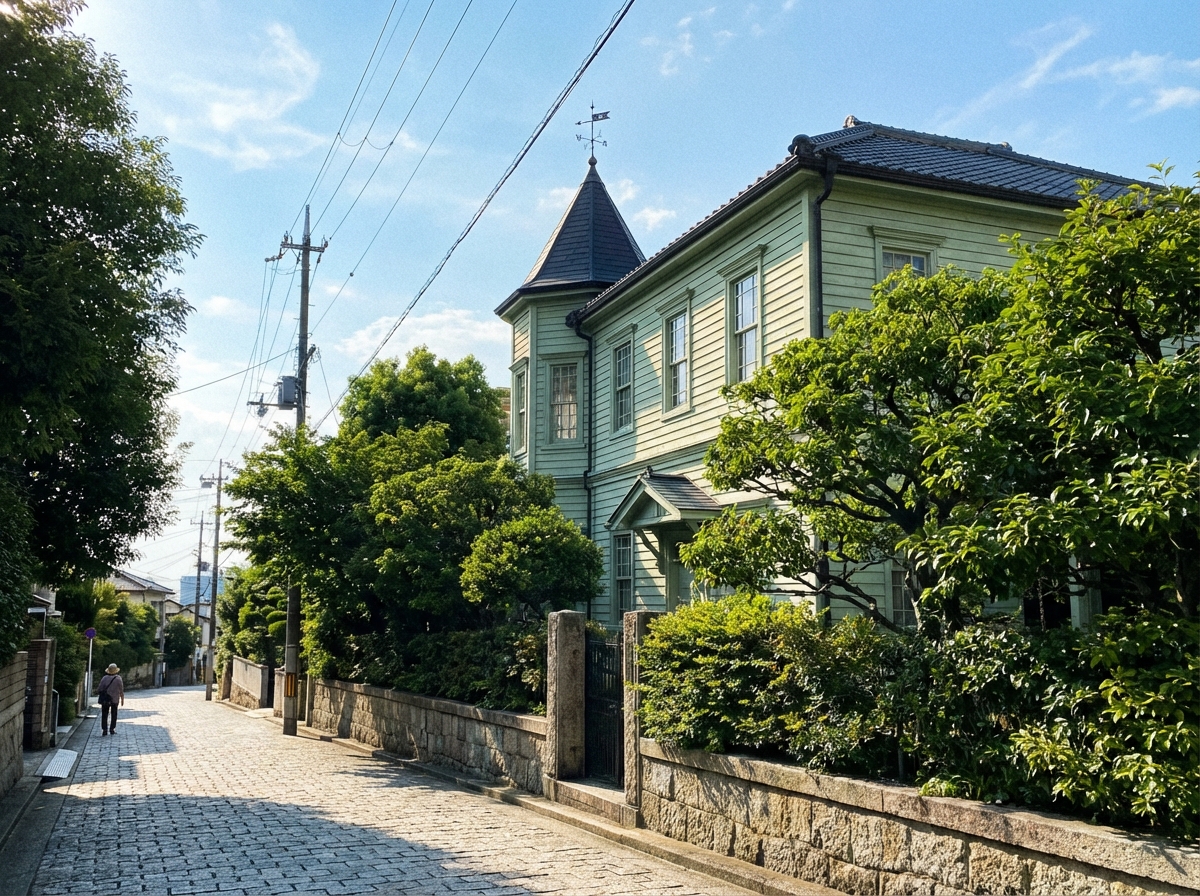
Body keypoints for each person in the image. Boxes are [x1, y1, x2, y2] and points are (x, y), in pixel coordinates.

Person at [97, 663, 125, 736]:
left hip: (105, 699)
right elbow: (121, 690)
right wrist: (122, 699)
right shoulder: (118, 678)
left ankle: (104, 730)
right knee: (114, 714)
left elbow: (99, 688)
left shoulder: (104, 678)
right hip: (115, 699)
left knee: (104, 714)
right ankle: (112, 729)